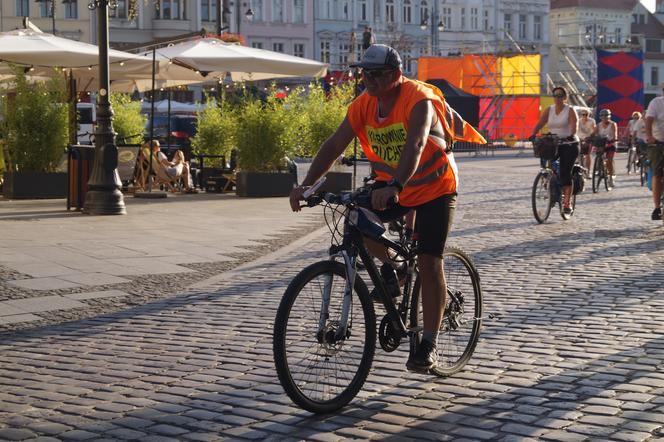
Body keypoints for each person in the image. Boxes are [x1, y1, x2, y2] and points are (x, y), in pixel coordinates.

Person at [289, 44, 485, 372]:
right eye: (365, 73)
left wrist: (395, 185)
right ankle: (395, 270)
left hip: (435, 188)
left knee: (428, 260)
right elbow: (335, 145)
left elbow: (417, 142)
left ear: (396, 74)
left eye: (378, 74)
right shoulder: (363, 105)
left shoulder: (418, 99)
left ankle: (429, 344)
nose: (370, 79)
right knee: (355, 219)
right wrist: (307, 185)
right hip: (394, 187)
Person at [529, 86, 579, 215]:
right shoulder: (549, 110)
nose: (557, 98)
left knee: (565, 172)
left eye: (560, 95)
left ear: (565, 97)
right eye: (555, 95)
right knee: (547, 164)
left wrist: (571, 134)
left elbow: (574, 126)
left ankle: (567, 202)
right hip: (554, 143)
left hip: (569, 143)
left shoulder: (570, 110)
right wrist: (533, 134)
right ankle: (551, 188)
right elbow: (540, 122)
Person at [645, 84, 664, 220]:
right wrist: (650, 136)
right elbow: (649, 120)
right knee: (657, 173)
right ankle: (657, 207)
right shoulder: (656, 103)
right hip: (658, 141)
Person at [592, 108, 618, 188]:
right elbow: (594, 134)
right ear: (600, 117)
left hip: (610, 144)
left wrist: (614, 139)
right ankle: (598, 168)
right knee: (597, 155)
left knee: (609, 160)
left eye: (606, 116)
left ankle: (611, 177)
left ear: (609, 117)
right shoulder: (598, 125)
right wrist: (589, 138)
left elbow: (615, 134)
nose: (604, 118)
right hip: (601, 144)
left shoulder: (613, 124)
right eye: (603, 116)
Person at [577, 109, 596, 178]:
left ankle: (588, 172)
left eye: (586, 114)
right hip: (579, 138)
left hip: (588, 139)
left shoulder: (592, 121)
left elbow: (594, 130)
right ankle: (578, 169)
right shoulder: (578, 121)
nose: (584, 116)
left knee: (588, 155)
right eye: (583, 114)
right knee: (576, 153)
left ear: (588, 115)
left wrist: (590, 136)